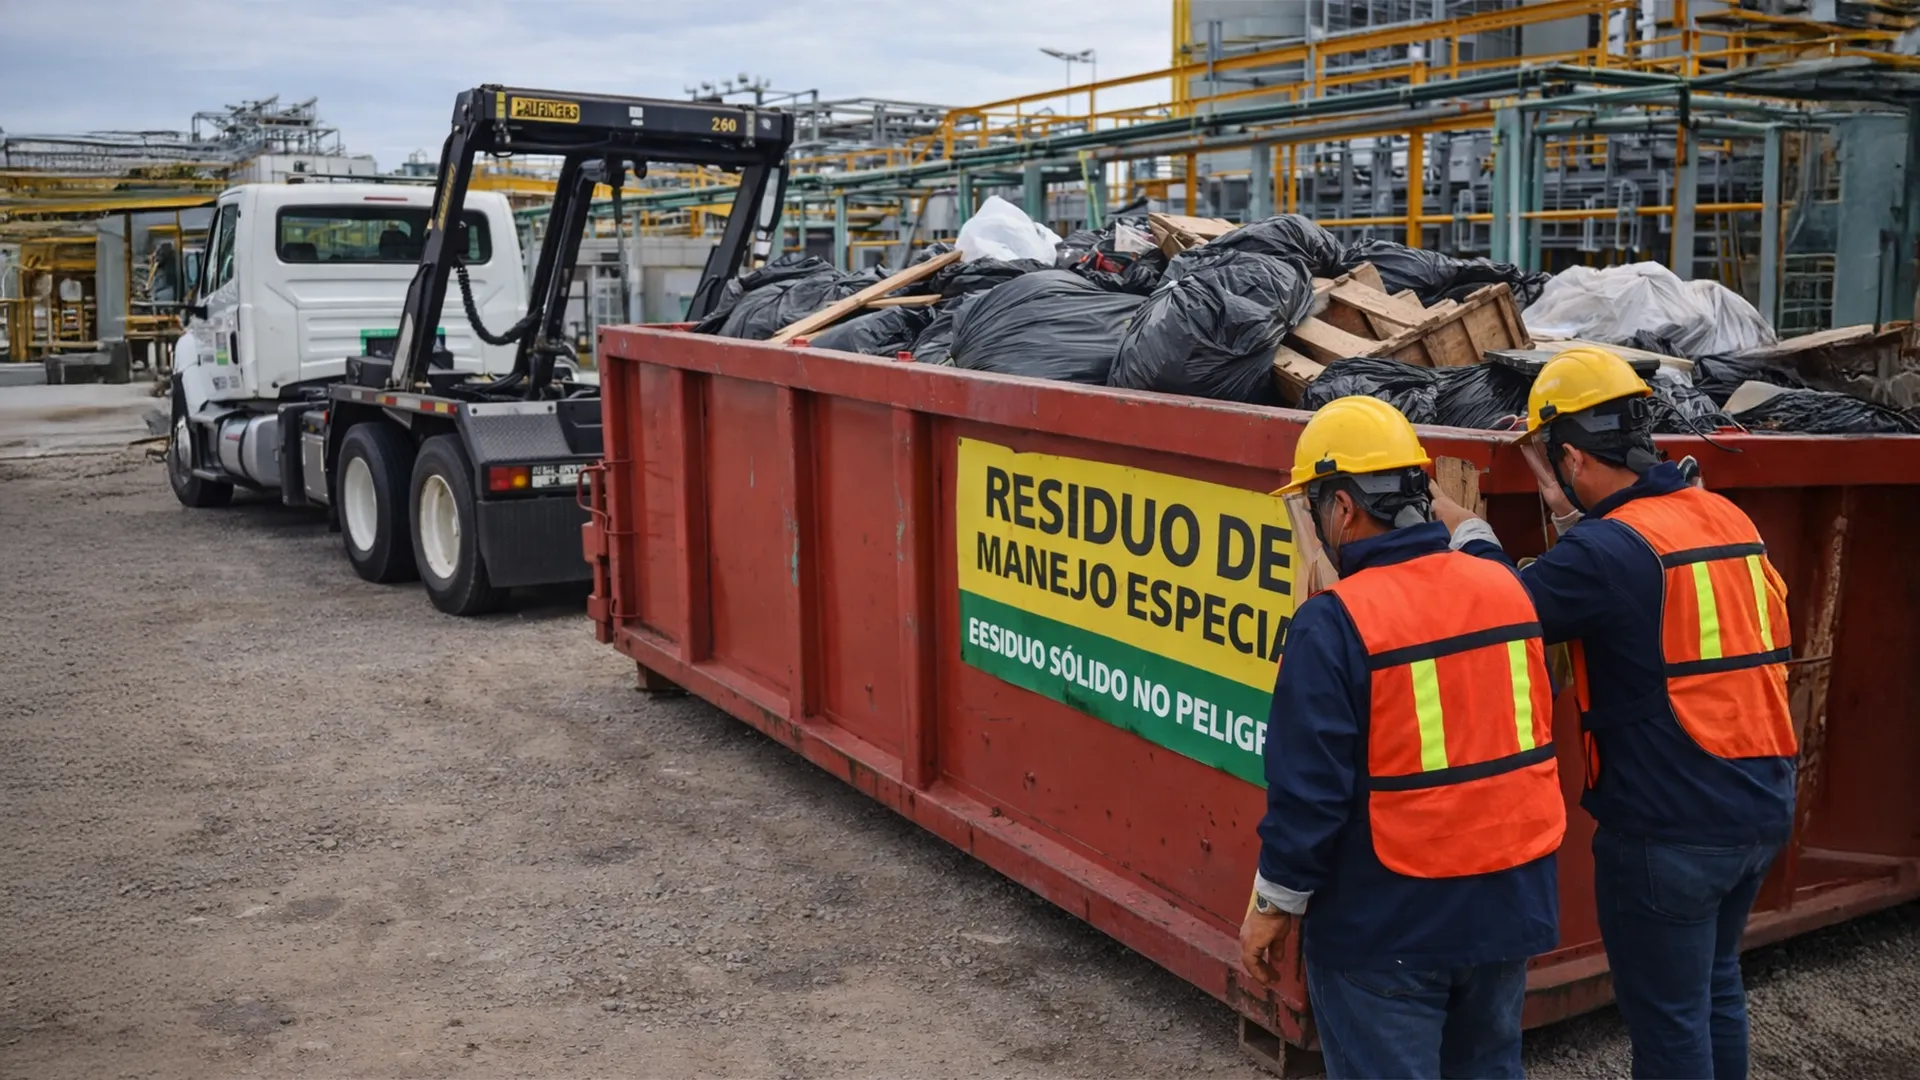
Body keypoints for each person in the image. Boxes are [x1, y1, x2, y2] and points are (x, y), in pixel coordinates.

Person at [1433, 346, 1796, 1080]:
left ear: (1571, 457)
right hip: (1759, 806)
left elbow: (1504, 612)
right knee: (1715, 988)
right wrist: (1574, 516)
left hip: (1670, 829)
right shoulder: (1721, 515)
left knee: (1667, 1027)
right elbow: (1640, 602)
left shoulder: (1604, 552)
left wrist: (1463, 528)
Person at [1238, 395, 1564, 1080]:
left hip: (1388, 923)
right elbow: (1473, 535)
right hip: (1507, 906)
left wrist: (1273, 908)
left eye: (1315, 506)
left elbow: (1309, 795)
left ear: (1344, 509)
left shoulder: (1334, 624)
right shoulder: (1509, 592)